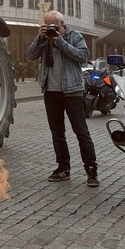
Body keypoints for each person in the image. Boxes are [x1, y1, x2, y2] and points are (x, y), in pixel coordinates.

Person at [27, 10, 99, 186]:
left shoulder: (74, 36)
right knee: (57, 133)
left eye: (54, 26)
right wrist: (40, 38)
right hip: (51, 92)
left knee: (81, 132)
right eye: (47, 25)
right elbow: (30, 55)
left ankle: (91, 170)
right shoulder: (43, 40)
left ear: (62, 24)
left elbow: (83, 56)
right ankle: (63, 169)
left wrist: (60, 41)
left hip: (72, 91)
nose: (51, 29)